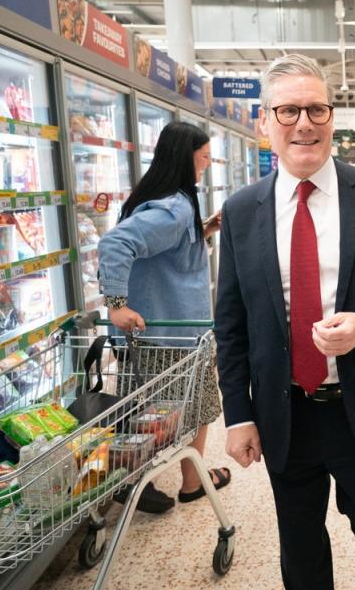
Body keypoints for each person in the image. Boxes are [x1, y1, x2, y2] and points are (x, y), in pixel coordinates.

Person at [215, 54, 355, 590]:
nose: (304, 123)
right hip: (285, 411)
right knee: (300, 542)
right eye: (288, 111)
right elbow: (232, 324)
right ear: (264, 122)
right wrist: (238, 415)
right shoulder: (242, 211)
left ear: (333, 118)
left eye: (316, 109)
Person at [98, 121, 232, 513]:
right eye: (203, 158)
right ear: (183, 157)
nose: (206, 165)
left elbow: (168, 255)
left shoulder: (175, 202)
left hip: (170, 329)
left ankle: (187, 479)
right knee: (178, 410)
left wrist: (205, 229)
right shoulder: (173, 207)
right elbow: (116, 242)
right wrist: (116, 303)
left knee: (176, 408)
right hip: (168, 332)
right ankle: (140, 476)